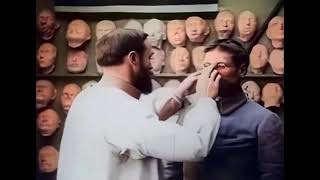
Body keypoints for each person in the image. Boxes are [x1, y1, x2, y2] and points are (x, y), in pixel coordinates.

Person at [57, 28, 222, 180]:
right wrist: (206, 100)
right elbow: (195, 147)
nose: (152, 66)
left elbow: (134, 128)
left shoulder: (87, 97)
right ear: (133, 58)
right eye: (149, 57)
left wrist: (178, 96)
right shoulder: (121, 108)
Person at [163, 39, 284, 180]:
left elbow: (273, 174)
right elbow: (173, 166)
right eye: (207, 66)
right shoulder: (189, 112)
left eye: (221, 66)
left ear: (242, 70)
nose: (210, 73)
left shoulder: (264, 120)